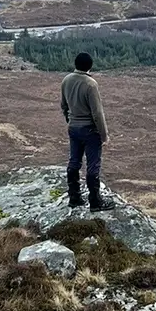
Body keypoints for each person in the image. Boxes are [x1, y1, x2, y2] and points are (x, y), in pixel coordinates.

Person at [61, 51, 113, 210]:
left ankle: (74, 197)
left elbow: (64, 105)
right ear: (90, 66)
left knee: (74, 161)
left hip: (74, 128)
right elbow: (97, 113)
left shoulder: (66, 80)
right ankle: (95, 202)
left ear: (75, 64)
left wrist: (70, 121)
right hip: (90, 131)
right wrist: (104, 136)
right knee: (93, 166)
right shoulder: (91, 84)